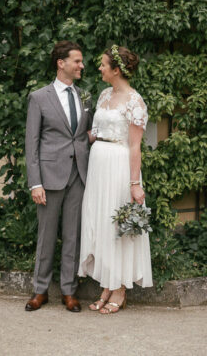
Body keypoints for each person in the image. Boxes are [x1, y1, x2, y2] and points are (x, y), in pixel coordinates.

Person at [79, 45, 152, 315]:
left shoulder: (135, 101)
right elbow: (94, 132)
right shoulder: (103, 95)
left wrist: (135, 184)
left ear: (117, 69)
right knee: (100, 223)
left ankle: (119, 288)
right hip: (98, 166)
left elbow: (135, 146)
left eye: (103, 64)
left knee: (116, 227)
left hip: (119, 167)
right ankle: (106, 285)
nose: (99, 68)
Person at [24, 40, 92, 312]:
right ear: (61, 63)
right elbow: (32, 143)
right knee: (47, 235)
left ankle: (69, 290)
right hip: (50, 176)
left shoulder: (85, 96)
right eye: (77, 61)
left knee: (73, 235)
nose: (81, 66)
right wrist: (35, 182)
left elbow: (84, 134)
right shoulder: (39, 97)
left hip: (78, 174)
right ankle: (40, 290)